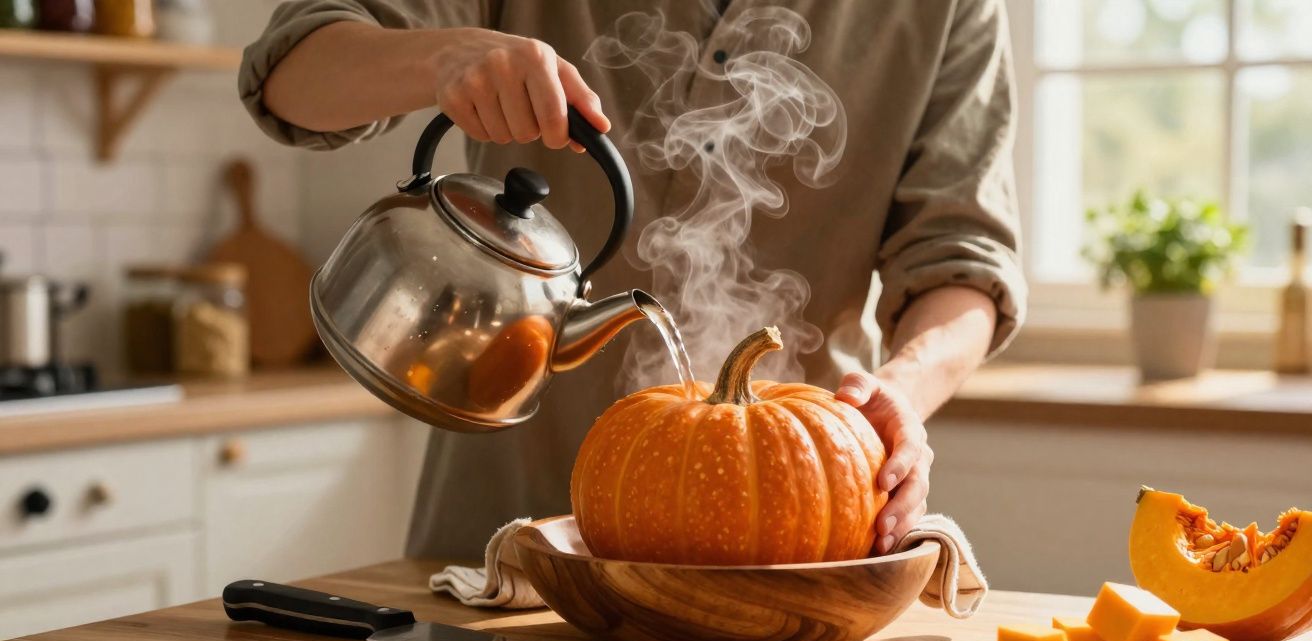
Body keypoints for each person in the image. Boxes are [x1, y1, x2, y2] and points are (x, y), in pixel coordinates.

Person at [240, 0, 1027, 560]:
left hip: (785, 540)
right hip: (503, 544)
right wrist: (446, 58)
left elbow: (963, 255)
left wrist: (898, 393)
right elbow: (290, 74)